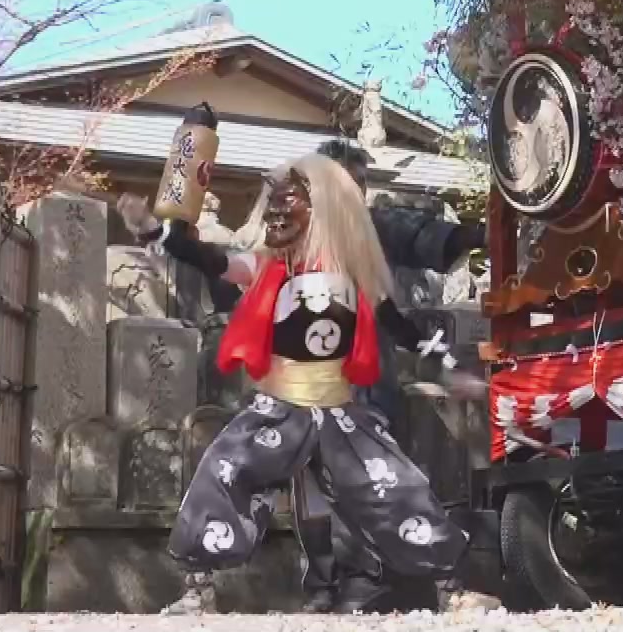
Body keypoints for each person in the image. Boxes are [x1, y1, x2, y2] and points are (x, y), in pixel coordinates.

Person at [168, 155, 469, 599]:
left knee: (393, 485)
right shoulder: (267, 269)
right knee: (227, 472)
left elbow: (405, 332)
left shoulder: (357, 276)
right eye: (276, 202)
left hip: (341, 409)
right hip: (278, 407)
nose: (279, 213)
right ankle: (202, 589)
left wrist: (450, 370)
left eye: (292, 202)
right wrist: (169, 227)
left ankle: (450, 587)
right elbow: (210, 259)